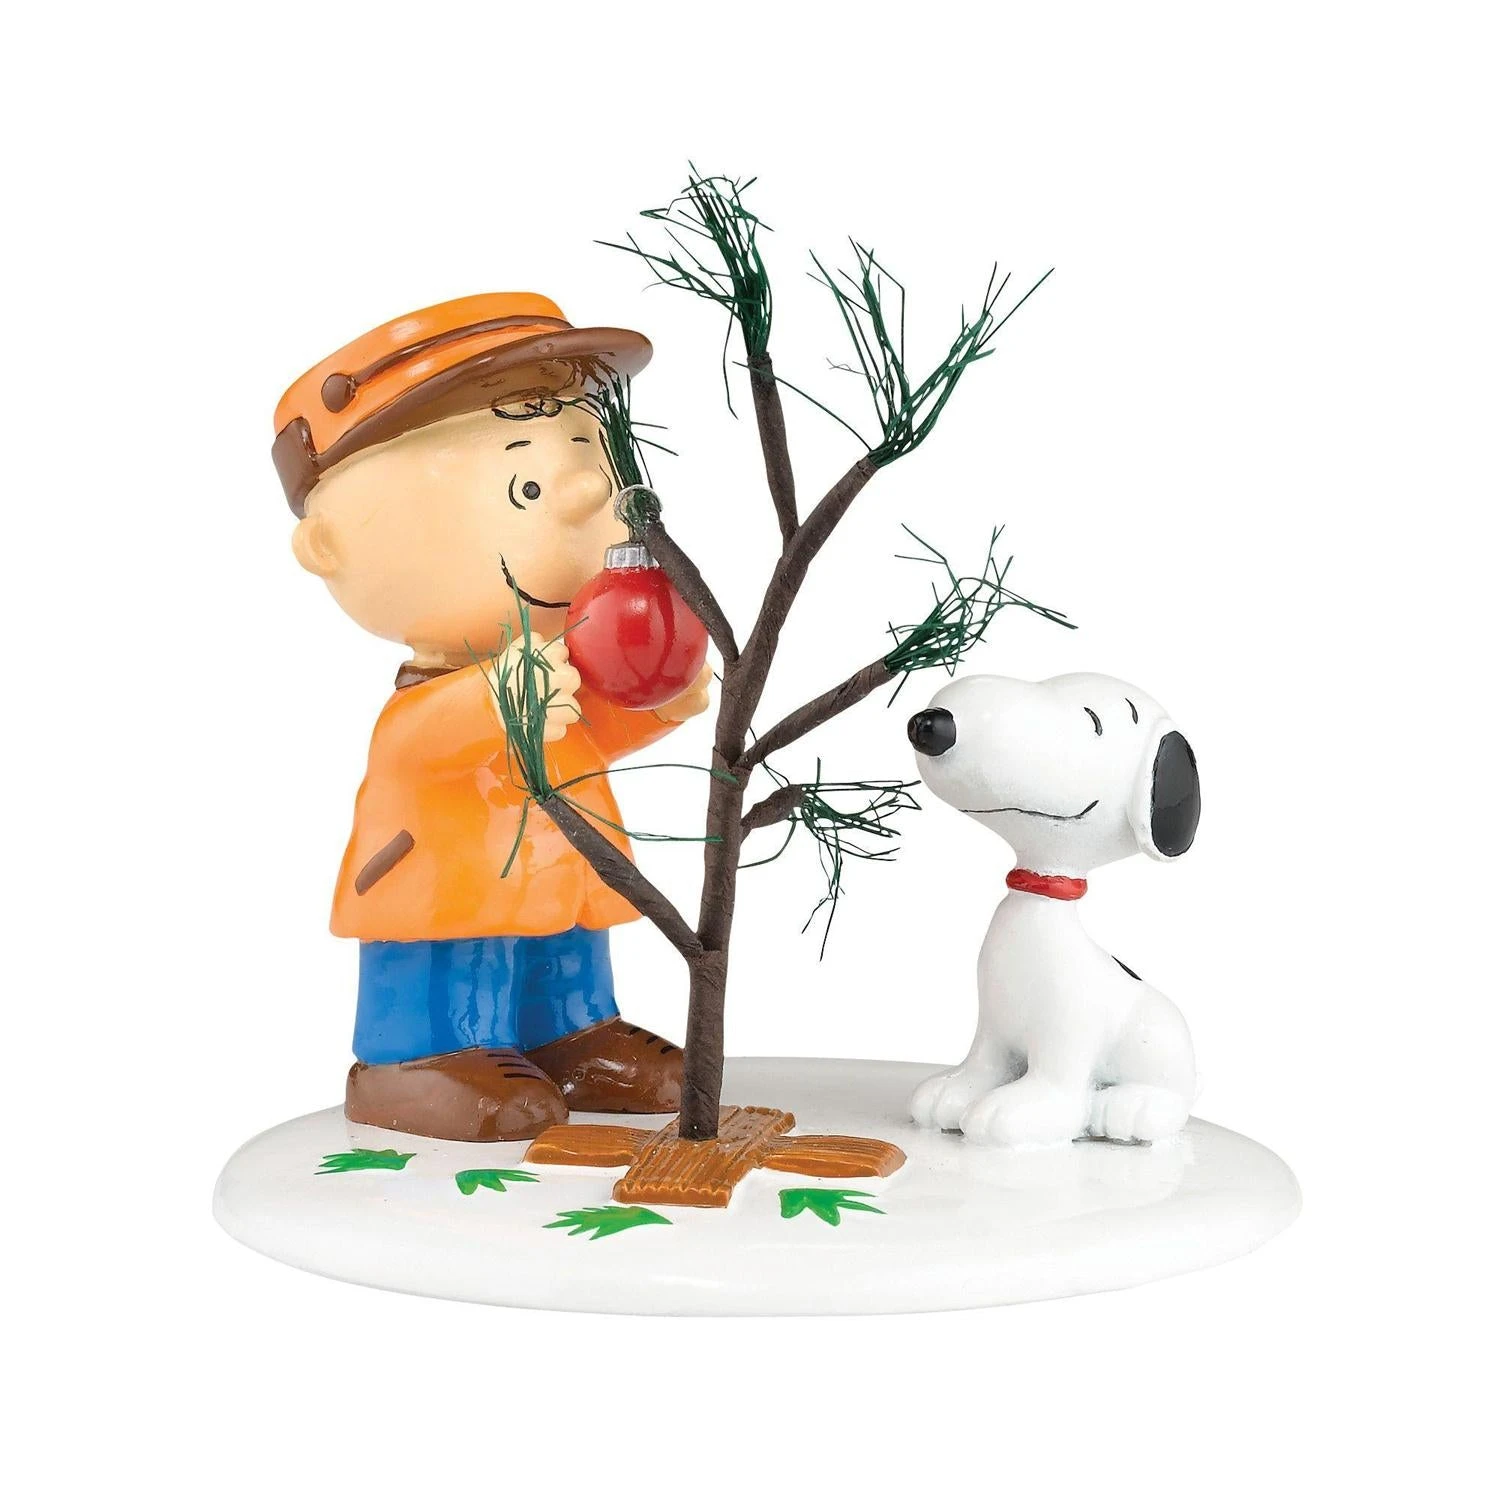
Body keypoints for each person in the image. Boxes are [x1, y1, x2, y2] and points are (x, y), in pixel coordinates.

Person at [272, 293, 711, 1140]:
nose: (588, 502)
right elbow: (424, 747)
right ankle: (422, 1058)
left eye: (591, 469)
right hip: (444, 879)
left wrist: (658, 701)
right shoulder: (424, 705)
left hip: (567, 866)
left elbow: (588, 731)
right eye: (525, 487)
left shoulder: (554, 664)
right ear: (332, 547)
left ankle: (573, 1035)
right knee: (458, 951)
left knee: (568, 946)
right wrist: (507, 694)